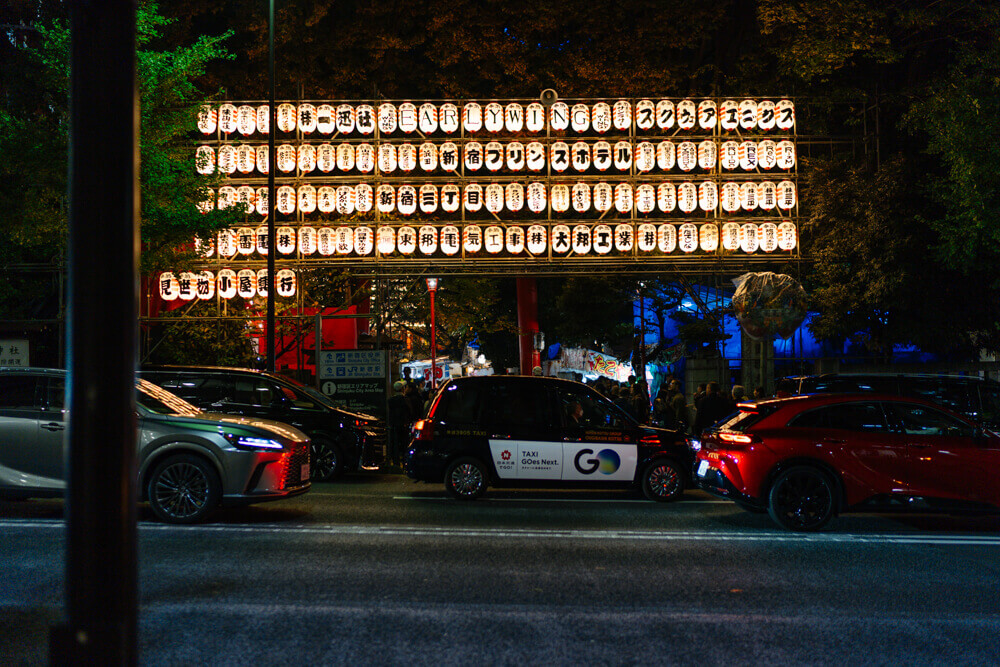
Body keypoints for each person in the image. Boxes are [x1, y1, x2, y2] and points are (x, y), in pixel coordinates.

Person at [386, 381, 413, 466]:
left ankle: (395, 461)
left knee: (395, 444)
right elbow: (410, 412)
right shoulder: (405, 400)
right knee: (404, 443)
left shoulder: (391, 400)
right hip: (404, 425)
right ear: (402, 389)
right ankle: (405, 461)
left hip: (394, 425)